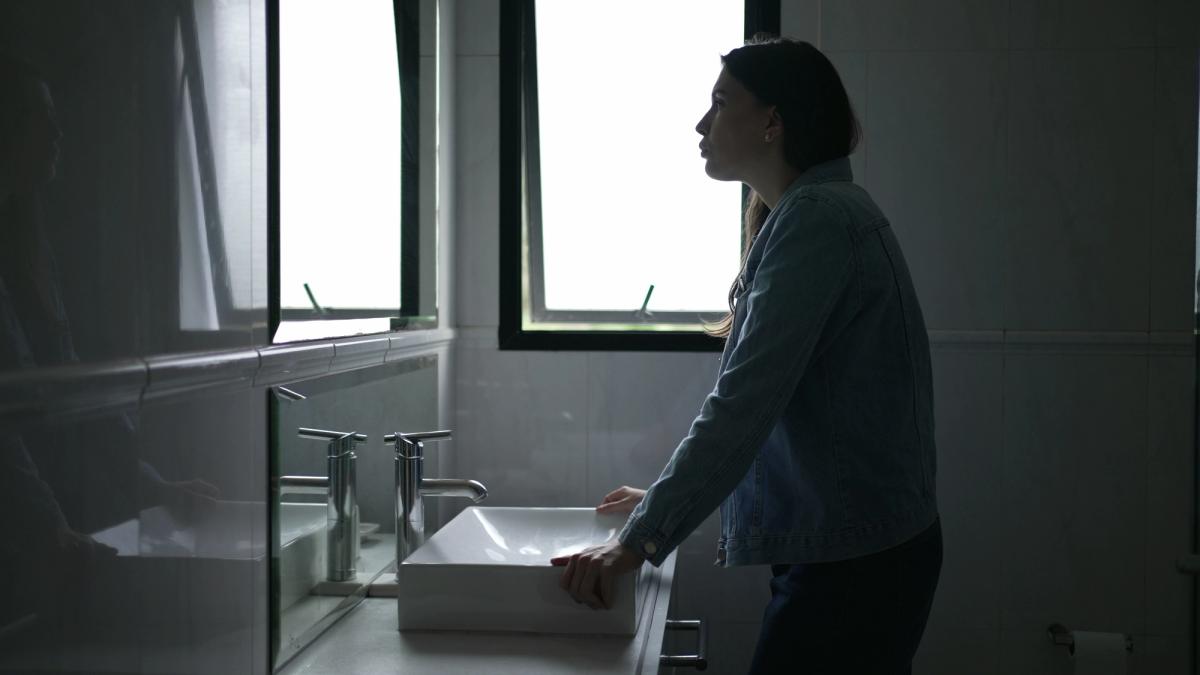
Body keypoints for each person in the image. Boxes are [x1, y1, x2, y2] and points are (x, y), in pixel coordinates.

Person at [551, 37, 942, 674]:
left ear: (772, 121)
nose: (701, 124)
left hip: (854, 568)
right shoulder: (814, 212)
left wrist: (639, 539)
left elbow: (743, 406)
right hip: (861, 551)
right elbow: (784, 418)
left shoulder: (815, 220)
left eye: (720, 103)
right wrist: (661, 500)